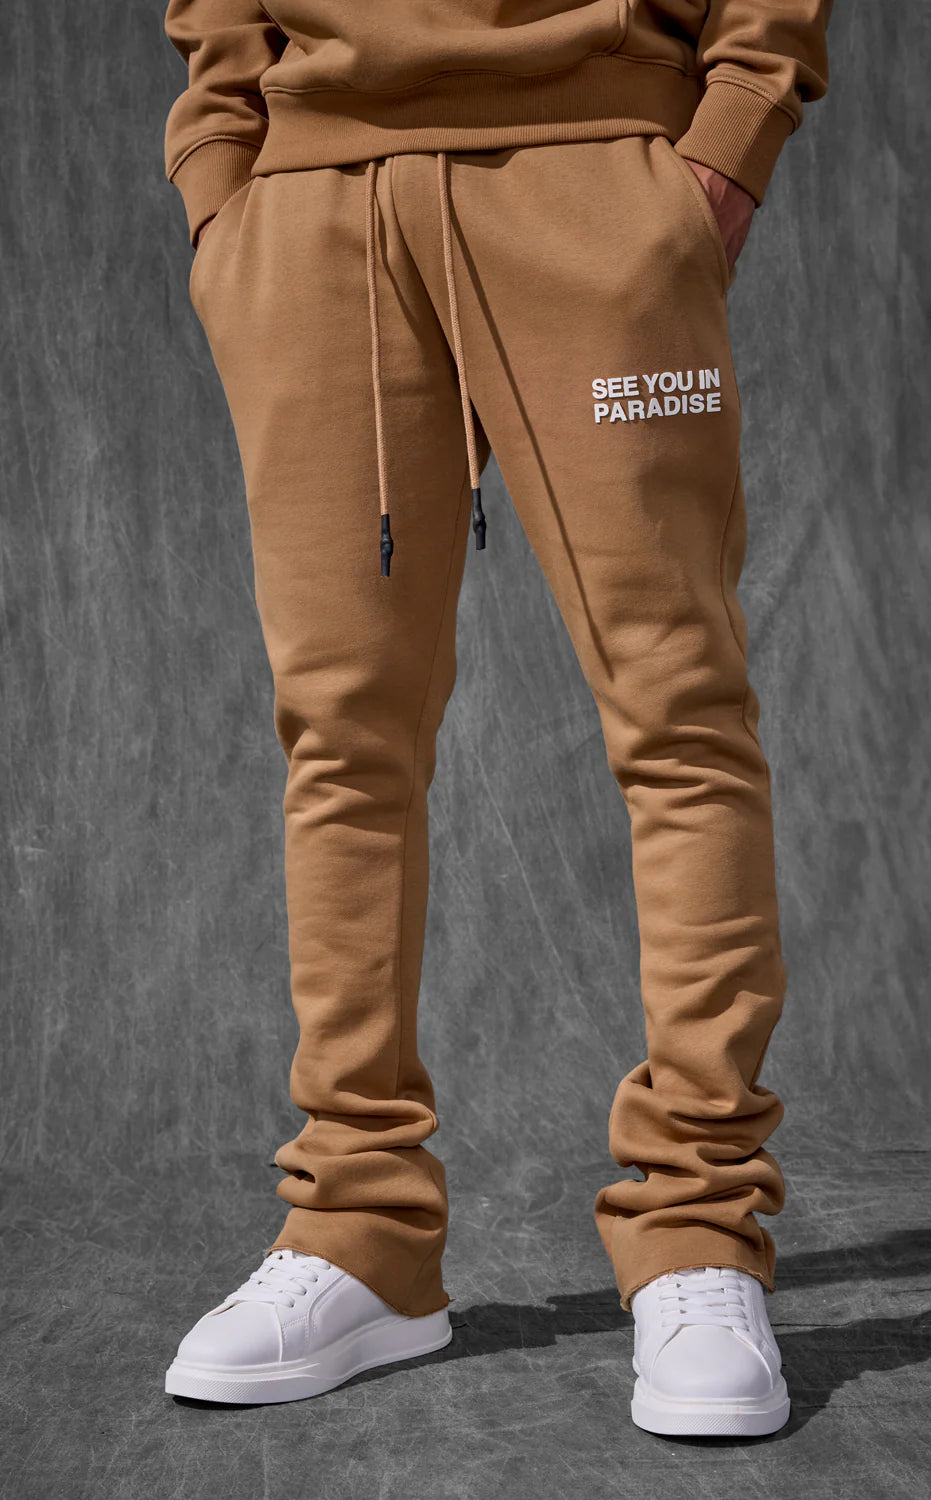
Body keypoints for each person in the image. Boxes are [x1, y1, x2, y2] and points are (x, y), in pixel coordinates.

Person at [160, 0, 831, 1436]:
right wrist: (223, 164)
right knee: (340, 739)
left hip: (594, 170)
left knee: (680, 713)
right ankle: (359, 1231)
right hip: (313, 200)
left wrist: (730, 137)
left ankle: (700, 1227)